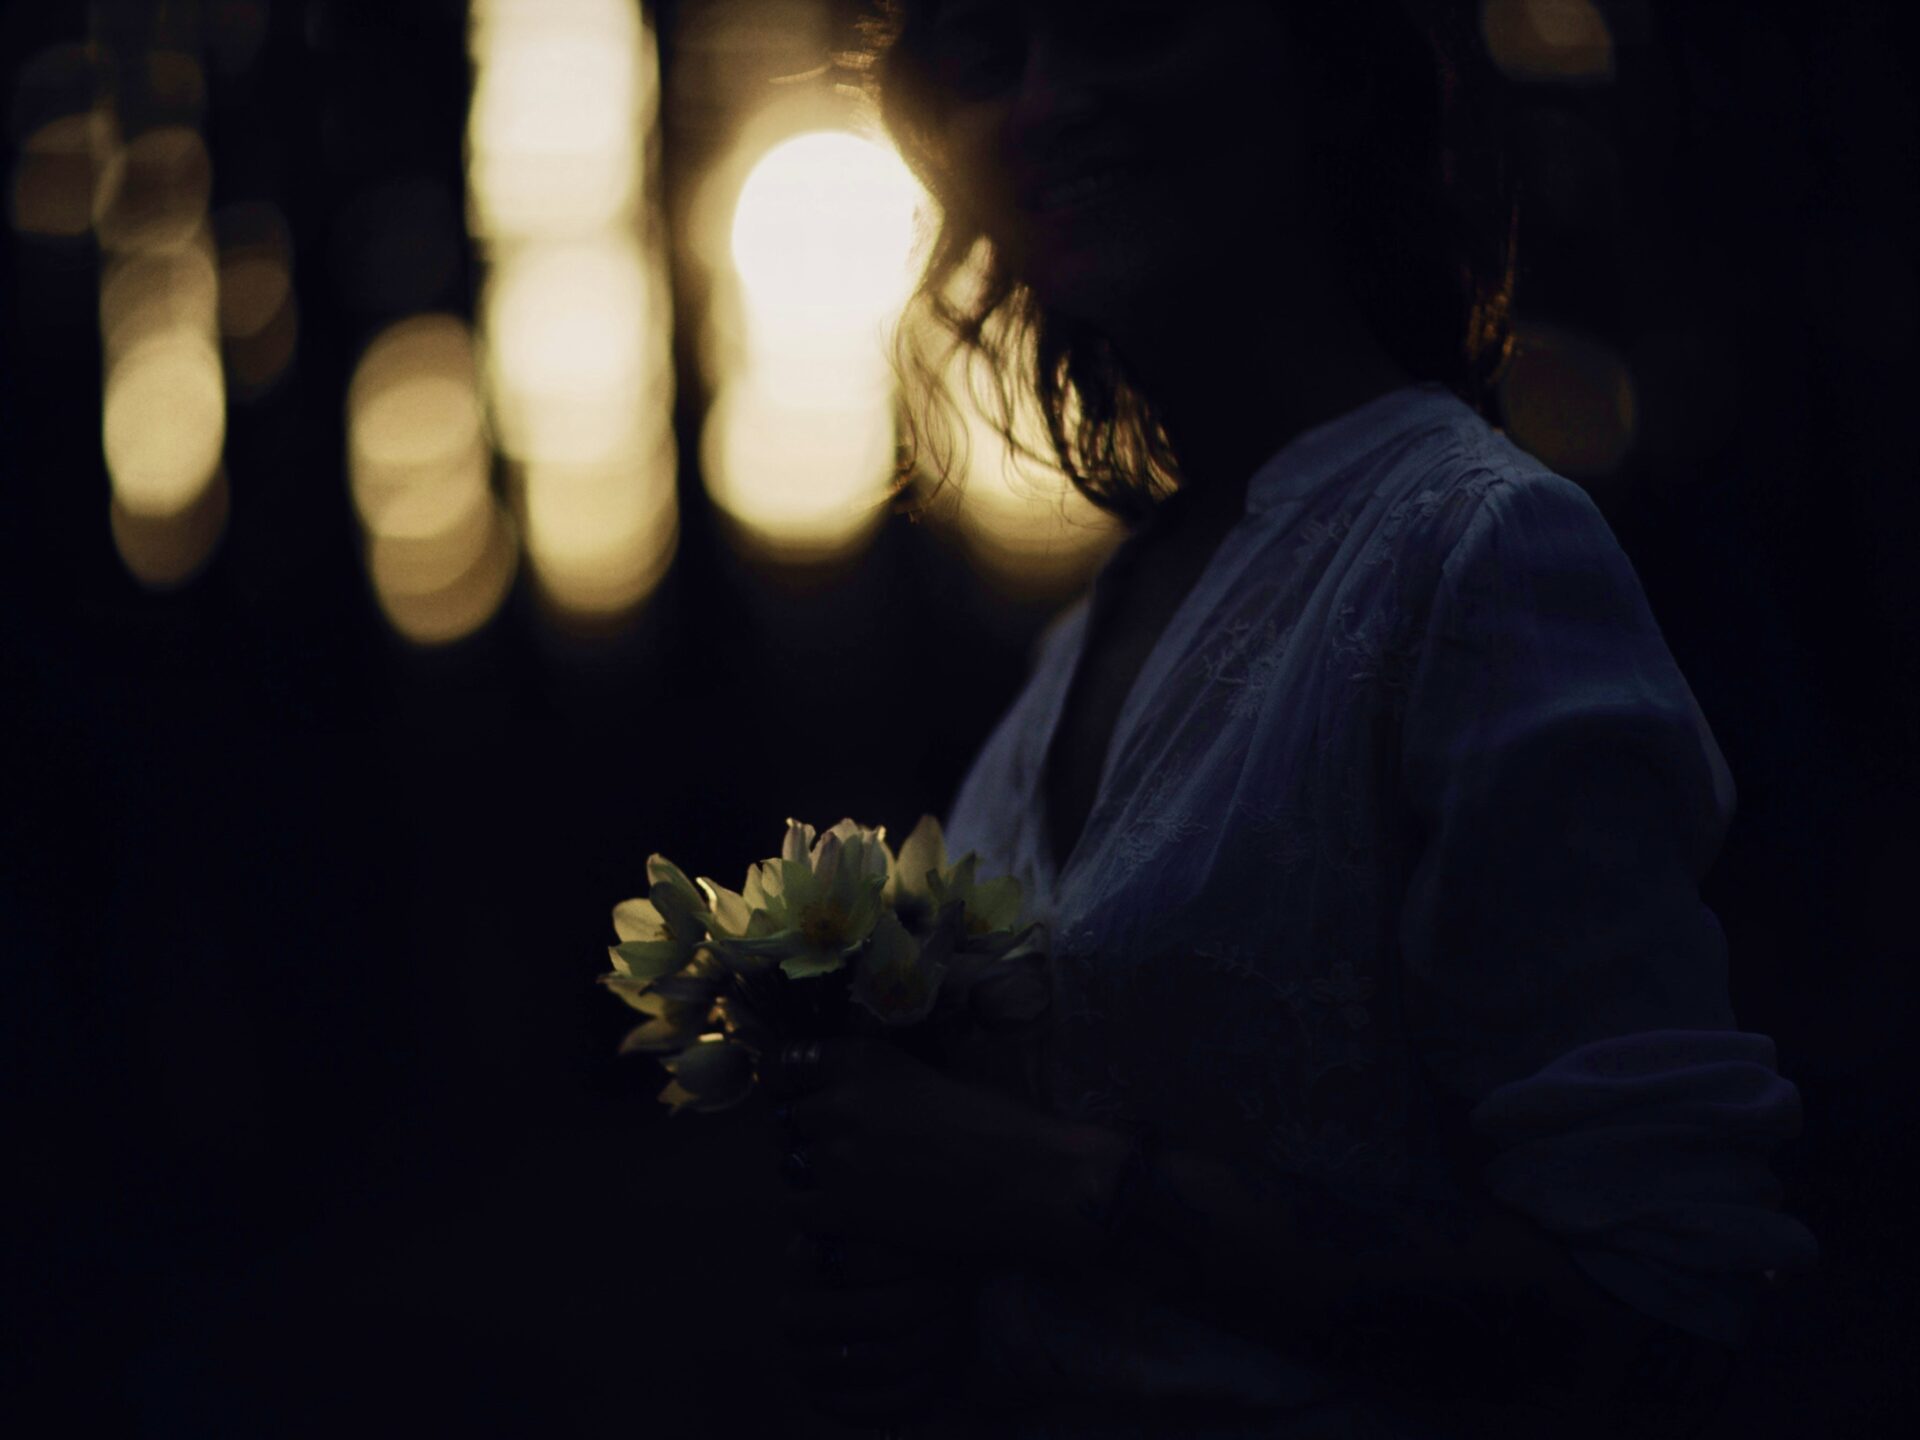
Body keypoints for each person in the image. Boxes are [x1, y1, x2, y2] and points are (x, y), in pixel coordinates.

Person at [763, 2, 1818, 1435]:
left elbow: (1658, 1308)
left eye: (1120, 26)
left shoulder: (1471, 555)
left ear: (1320, 58)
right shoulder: (1088, 638)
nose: (1047, 104)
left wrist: (1064, 1191)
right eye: (987, 54)